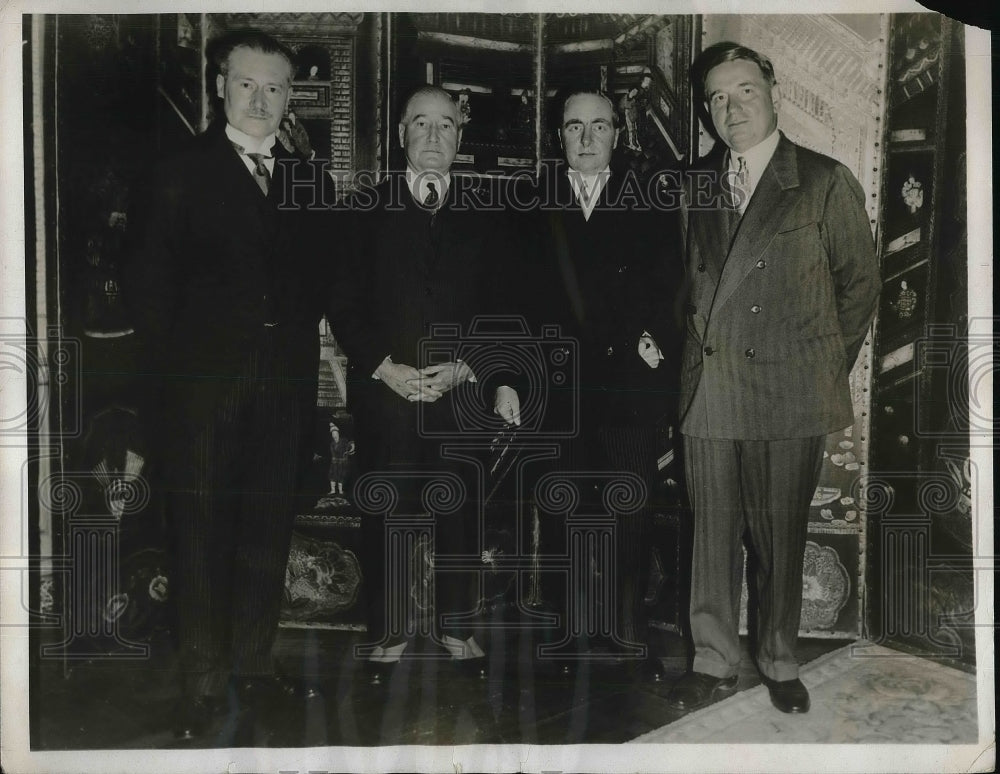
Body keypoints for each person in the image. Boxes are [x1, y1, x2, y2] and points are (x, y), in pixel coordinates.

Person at [123, 29, 334, 739]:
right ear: (220, 87)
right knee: (201, 537)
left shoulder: (309, 181)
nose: (260, 100)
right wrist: (161, 407)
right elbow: (149, 300)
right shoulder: (176, 173)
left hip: (284, 388)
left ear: (290, 96)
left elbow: (319, 286)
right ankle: (204, 683)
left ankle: (252, 666)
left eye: (275, 88)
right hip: (202, 394)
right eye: (247, 84)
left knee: (267, 532)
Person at [666, 42, 881, 715]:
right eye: (717, 98)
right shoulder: (694, 184)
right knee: (710, 537)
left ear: (774, 95)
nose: (731, 109)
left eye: (745, 92)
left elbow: (861, 286)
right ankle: (712, 657)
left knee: (778, 538)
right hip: (711, 388)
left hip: (787, 392)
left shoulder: (822, 180)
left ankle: (780, 658)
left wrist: (817, 367)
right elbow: (680, 286)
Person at [334, 86, 521, 680]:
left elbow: (504, 305)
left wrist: (468, 366)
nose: (434, 136)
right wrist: (386, 368)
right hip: (387, 390)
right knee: (385, 506)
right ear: (401, 135)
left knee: (460, 509)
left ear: (460, 137)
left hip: (460, 391)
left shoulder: (491, 214)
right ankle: (387, 632)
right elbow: (344, 302)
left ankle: (457, 628)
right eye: (421, 123)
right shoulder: (364, 209)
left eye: (445, 124)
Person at [521, 90, 682, 675]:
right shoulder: (531, 204)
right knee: (563, 511)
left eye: (599, 126)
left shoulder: (650, 203)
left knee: (628, 512)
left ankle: (625, 632)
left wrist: (654, 351)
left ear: (618, 134)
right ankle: (570, 630)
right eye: (574, 127)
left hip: (628, 389)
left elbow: (673, 290)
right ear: (558, 136)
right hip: (559, 388)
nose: (586, 138)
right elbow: (512, 296)